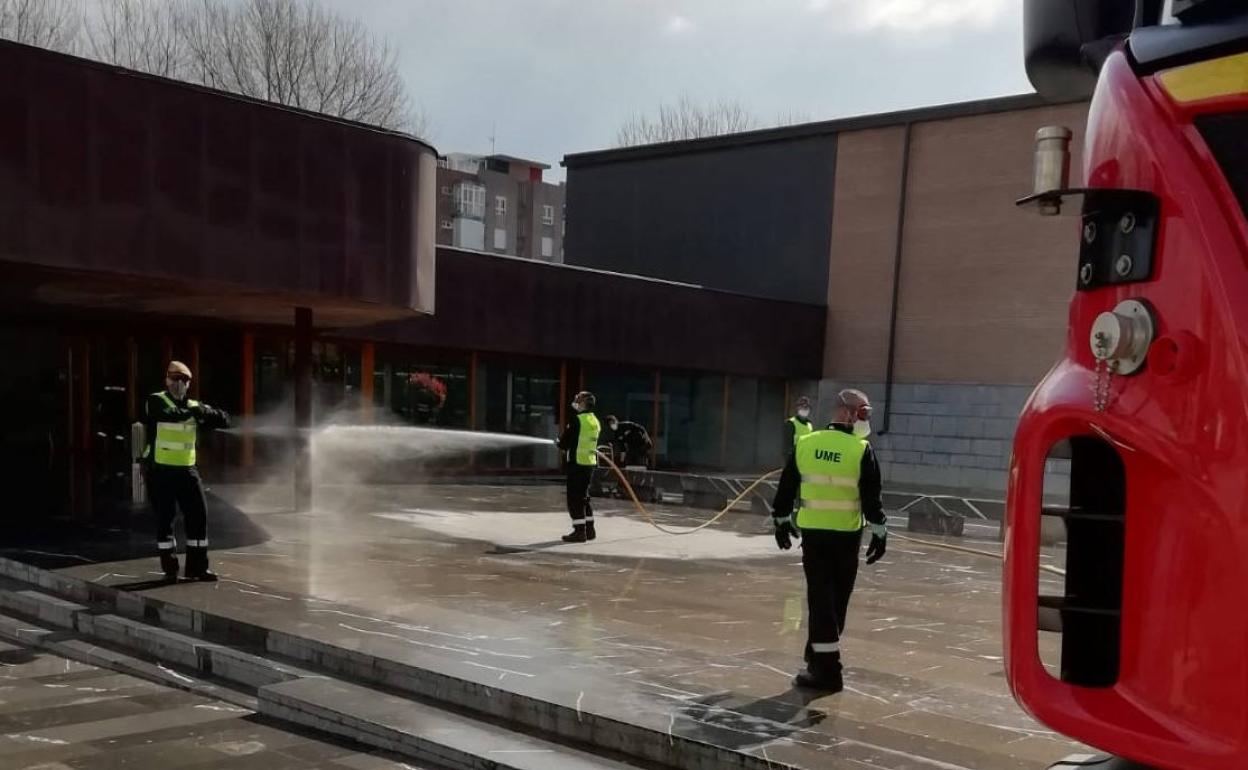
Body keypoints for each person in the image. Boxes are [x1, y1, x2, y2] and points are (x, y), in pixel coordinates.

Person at [770, 388, 887, 692]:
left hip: (815, 536)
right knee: (834, 601)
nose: (866, 420)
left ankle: (818, 659)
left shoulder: (807, 444)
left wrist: (781, 520)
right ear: (846, 413)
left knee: (822, 600)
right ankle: (828, 671)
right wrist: (879, 531)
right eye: (863, 414)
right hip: (846, 537)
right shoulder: (860, 451)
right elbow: (872, 498)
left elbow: (786, 487)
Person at [142, 361, 230, 582]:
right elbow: (170, 414)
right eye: (175, 379)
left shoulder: (193, 405)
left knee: (199, 516)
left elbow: (223, 419)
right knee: (166, 519)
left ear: (189, 383)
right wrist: (193, 412)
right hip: (160, 470)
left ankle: (198, 568)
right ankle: (170, 569)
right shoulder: (156, 400)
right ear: (167, 380)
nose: (179, 384)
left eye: (184, 380)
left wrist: (202, 411)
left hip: (187, 471)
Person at [556, 391, 601, 543]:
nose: (576, 401)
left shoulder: (577, 420)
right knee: (584, 498)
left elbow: (564, 443)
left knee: (574, 499)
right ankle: (590, 530)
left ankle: (579, 532)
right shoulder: (594, 420)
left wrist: (558, 443)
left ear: (583, 403)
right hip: (589, 464)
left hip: (577, 464)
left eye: (578, 400)